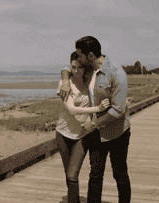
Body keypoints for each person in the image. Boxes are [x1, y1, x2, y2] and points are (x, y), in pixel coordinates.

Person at [59, 36, 131, 203]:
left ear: (90, 55)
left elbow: (119, 109)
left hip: (117, 132)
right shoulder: (88, 69)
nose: (78, 58)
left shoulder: (116, 73)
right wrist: (65, 81)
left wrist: (95, 123)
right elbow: (67, 66)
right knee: (96, 173)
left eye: (80, 55)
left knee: (119, 172)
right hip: (96, 134)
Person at [56, 51, 110, 203]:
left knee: (72, 175)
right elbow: (72, 109)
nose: (76, 71)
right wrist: (96, 110)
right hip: (62, 134)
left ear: (84, 68)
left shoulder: (89, 81)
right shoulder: (64, 84)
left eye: (80, 67)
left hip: (81, 135)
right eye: (73, 67)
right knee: (69, 176)